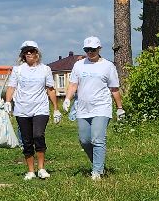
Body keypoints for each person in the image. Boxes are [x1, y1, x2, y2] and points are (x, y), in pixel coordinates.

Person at [65, 35, 123, 179]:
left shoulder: (108, 66)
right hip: (83, 108)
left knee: (97, 139)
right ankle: (98, 163)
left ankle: (97, 171)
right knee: (84, 140)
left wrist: (120, 108)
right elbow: (73, 84)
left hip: (101, 107)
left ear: (99, 49)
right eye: (87, 50)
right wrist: (67, 99)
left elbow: (114, 88)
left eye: (93, 49)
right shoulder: (79, 65)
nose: (90, 52)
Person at [8, 39, 60, 180]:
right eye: (26, 52)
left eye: (32, 51)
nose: (29, 54)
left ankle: (41, 168)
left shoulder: (45, 69)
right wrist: (7, 102)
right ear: (23, 55)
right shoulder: (18, 70)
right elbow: (11, 87)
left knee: (38, 135)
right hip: (22, 109)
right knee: (26, 140)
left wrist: (56, 108)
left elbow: (50, 89)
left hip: (40, 108)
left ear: (37, 53)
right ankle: (31, 170)